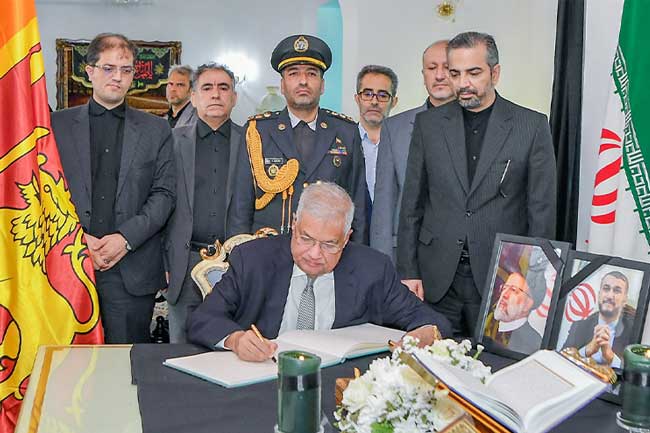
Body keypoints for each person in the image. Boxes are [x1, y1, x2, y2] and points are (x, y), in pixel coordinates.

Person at [397, 31, 556, 338]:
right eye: (455, 73)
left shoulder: (531, 126)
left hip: (503, 278)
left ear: (495, 73)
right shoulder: (429, 125)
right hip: (436, 276)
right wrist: (408, 270)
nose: (462, 83)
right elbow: (411, 204)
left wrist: (532, 275)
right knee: (433, 362)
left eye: (473, 73)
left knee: (495, 364)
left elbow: (542, 211)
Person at [188, 182, 451, 361]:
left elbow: (432, 322)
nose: (315, 254)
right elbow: (203, 318)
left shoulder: (373, 269)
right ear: (294, 225)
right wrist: (236, 340)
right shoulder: (252, 259)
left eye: (329, 244)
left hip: (337, 384)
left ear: (346, 238)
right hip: (262, 378)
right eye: (306, 238)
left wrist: (425, 334)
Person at [51, 33, 175, 343]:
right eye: (108, 68)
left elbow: (164, 195)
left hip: (131, 269)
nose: (117, 77)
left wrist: (125, 239)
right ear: (89, 71)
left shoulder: (157, 129)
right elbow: (46, 191)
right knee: (68, 361)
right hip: (69, 262)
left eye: (126, 70)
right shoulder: (56, 126)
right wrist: (78, 238)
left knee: (126, 362)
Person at [227, 34, 367, 243]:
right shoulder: (258, 131)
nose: (303, 81)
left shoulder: (345, 132)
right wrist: (239, 254)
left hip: (326, 252)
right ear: (283, 85)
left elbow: (358, 206)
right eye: (293, 74)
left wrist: (357, 256)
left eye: (312, 74)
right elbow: (240, 206)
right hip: (268, 249)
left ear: (322, 85)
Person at [164, 63, 241, 343]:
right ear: (194, 97)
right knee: (180, 350)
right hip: (184, 263)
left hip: (236, 266)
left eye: (224, 88)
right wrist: (164, 262)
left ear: (234, 97)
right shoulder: (172, 142)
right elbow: (160, 202)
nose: (216, 94)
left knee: (230, 347)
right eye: (207, 88)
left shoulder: (252, 143)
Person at [371, 40, 455, 261]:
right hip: (406, 254)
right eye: (432, 68)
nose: (439, 75)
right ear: (423, 74)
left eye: (447, 68)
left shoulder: (477, 125)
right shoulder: (395, 128)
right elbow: (384, 203)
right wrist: (382, 264)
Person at [563, 271, 633, 368]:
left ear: (625, 300)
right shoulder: (580, 326)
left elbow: (635, 371)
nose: (610, 296)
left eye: (617, 291)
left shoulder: (632, 331)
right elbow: (561, 360)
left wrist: (611, 358)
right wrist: (586, 351)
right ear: (599, 294)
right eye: (606, 289)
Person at [354, 65, 398, 204]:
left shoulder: (403, 144)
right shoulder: (343, 141)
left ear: (394, 102)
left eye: (383, 96)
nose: (374, 102)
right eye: (367, 94)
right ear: (357, 99)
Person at [483, 272, 545, 354]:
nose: (504, 295)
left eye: (513, 290)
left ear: (528, 304)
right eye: (504, 288)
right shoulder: (487, 320)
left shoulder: (532, 343)